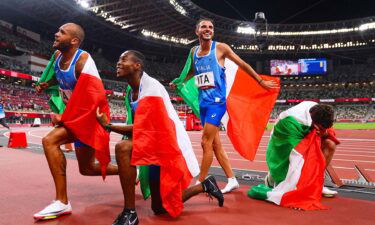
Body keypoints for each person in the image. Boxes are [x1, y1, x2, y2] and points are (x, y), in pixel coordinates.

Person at [96, 50, 224, 225]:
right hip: (154, 142)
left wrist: (108, 126)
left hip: (168, 144)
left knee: (123, 148)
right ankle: (204, 185)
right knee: (159, 208)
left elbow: (145, 127)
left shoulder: (151, 88)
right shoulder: (131, 90)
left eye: (123, 59)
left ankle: (130, 213)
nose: (118, 63)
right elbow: (140, 126)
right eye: (119, 59)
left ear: (137, 65)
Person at [170, 18, 278, 194]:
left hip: (217, 103)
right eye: (204, 27)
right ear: (196, 31)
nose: (208, 29)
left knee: (205, 142)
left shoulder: (220, 48)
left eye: (211, 27)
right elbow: (192, 71)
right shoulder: (193, 51)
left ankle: (201, 182)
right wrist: (180, 81)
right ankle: (232, 179)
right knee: (215, 145)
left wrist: (260, 81)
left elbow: (242, 64)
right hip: (203, 103)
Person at [33, 23, 118, 220]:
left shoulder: (82, 61)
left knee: (49, 141)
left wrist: (65, 117)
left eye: (61, 32)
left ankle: (61, 202)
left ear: (74, 41)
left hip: (91, 117)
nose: (56, 33)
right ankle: (130, 170)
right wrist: (48, 83)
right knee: (87, 169)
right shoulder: (57, 57)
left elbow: (94, 100)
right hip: (77, 115)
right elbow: (62, 79)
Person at [249, 102, 339, 210]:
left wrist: (323, 133)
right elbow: (296, 156)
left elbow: (330, 133)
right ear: (313, 120)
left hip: (304, 127)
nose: (322, 130)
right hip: (285, 132)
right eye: (320, 128)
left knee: (330, 145)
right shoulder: (291, 121)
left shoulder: (322, 112)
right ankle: (273, 178)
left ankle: (316, 183)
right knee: (295, 160)